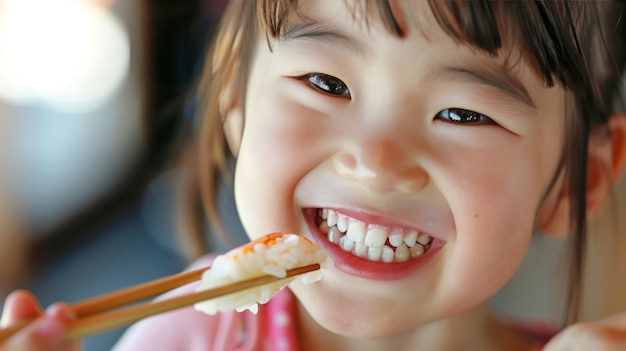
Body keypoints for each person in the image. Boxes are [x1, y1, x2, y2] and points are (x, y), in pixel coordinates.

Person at [2, 0, 626, 350]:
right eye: (325, 83)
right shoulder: (185, 342)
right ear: (234, 104)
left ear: (581, 181)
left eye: (464, 114)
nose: (377, 163)